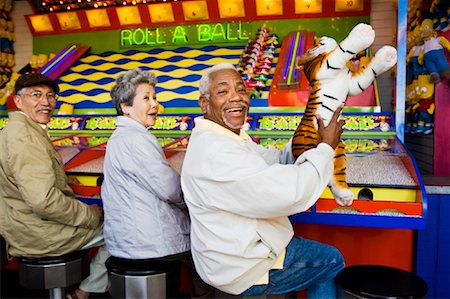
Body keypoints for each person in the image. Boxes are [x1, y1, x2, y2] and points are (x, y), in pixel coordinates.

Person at [181, 62, 346, 298]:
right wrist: (326, 148)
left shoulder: (227, 137)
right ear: (204, 103)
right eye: (222, 92)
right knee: (331, 261)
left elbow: (274, 159)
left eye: (240, 89)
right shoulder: (217, 153)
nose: (235, 98)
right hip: (241, 266)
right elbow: (293, 193)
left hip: (230, 254)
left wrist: (306, 133)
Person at [101, 67, 209, 297]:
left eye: (155, 97)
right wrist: (194, 198)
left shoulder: (121, 136)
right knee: (208, 260)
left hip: (129, 239)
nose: (154, 104)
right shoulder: (136, 139)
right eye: (146, 98)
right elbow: (170, 189)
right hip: (146, 244)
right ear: (126, 107)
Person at [0, 73, 109, 299]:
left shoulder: (15, 130)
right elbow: (44, 201)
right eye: (36, 95)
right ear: (18, 101)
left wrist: (64, 179)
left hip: (24, 226)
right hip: (39, 234)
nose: (46, 102)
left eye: (51, 96)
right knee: (121, 231)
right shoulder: (26, 139)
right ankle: (83, 292)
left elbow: (25, 177)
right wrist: (90, 215)